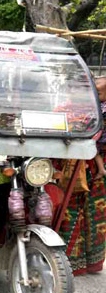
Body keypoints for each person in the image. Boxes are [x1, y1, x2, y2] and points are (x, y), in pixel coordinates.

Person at [58, 76, 106, 275]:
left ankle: (86, 262)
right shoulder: (70, 109)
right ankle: (70, 261)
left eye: (100, 92)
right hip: (76, 163)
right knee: (73, 211)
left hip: (90, 167)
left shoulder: (97, 110)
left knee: (91, 214)